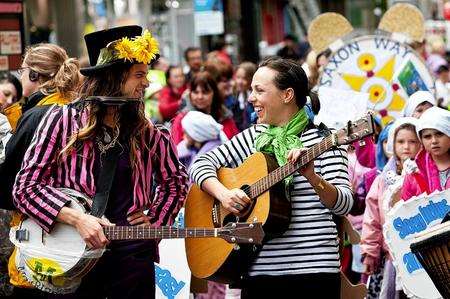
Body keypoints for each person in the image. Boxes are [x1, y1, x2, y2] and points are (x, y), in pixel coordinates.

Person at [12, 25, 188, 298]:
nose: (147, 82)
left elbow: (177, 181)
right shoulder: (61, 121)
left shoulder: (147, 132)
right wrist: (78, 219)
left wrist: (156, 218)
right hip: (74, 261)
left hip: (132, 262)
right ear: (113, 77)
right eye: (139, 75)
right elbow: (25, 188)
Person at [189, 57, 353, 298]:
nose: (251, 97)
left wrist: (313, 177)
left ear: (287, 95)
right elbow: (200, 164)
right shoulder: (253, 137)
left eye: (259, 90)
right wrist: (224, 194)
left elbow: (344, 203)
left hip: (314, 272)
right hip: (259, 273)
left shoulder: (325, 142)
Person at [0, 43, 81, 297]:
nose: (21, 76)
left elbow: (10, 187)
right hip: (74, 237)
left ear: (34, 75)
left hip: (38, 235)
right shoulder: (75, 108)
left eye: (23, 71)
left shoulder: (38, 116)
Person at [361, 118, 421, 299]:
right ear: (392, 144)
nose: (406, 147)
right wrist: (370, 253)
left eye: (412, 141)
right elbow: (373, 219)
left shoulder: (424, 174)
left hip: (421, 255)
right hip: (391, 258)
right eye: (401, 141)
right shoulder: (383, 180)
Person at [171, 71, 239, 144]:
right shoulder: (181, 120)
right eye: (196, 92)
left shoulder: (225, 117)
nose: (200, 97)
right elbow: (177, 151)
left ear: (214, 93)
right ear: (190, 94)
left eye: (205, 92)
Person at [401, 107, 450, 200]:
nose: (434, 141)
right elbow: (406, 211)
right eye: (427, 137)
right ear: (421, 140)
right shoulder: (414, 172)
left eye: (439, 134)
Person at [230, 62, 256, 131]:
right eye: (238, 77)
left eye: (244, 78)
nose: (239, 82)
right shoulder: (234, 95)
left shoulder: (255, 99)